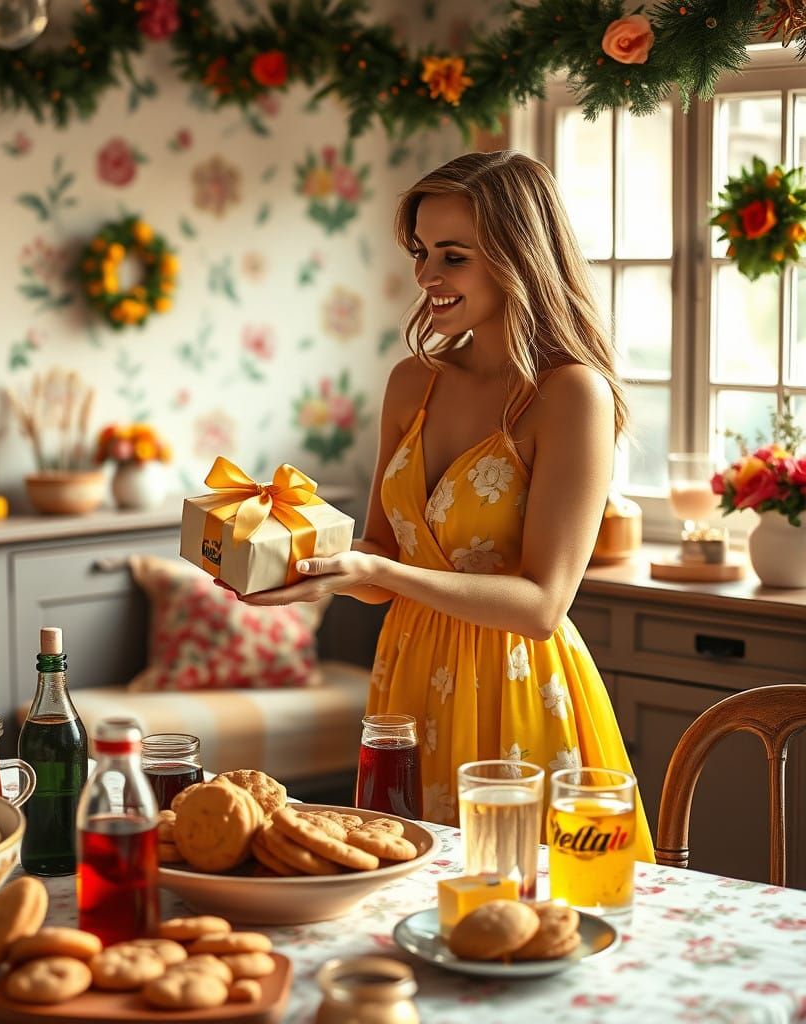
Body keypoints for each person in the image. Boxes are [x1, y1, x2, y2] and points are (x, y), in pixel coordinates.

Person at [239, 149, 653, 860]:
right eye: (422, 251)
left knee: (528, 911)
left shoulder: (570, 395)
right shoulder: (411, 383)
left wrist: (390, 579)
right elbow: (378, 559)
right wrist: (302, 569)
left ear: (517, 257)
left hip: (519, 690)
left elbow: (541, 604)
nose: (426, 276)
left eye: (452, 256)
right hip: (405, 685)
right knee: (400, 895)